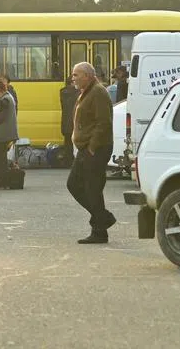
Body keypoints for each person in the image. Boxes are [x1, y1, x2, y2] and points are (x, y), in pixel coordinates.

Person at [67, 62, 116, 244]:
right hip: (86, 147)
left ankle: (100, 230)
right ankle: (103, 218)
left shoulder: (98, 92)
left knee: (92, 188)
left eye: (76, 75)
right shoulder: (86, 91)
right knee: (75, 185)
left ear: (87, 76)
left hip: (96, 148)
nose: (73, 78)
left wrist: (92, 148)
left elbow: (103, 123)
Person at [0, 79, 18, 188]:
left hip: (3, 133)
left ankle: (2, 180)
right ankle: (3, 180)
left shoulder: (5, 99)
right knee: (0, 157)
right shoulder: (7, 97)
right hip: (4, 133)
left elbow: (1, 117)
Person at [59, 77, 78, 167]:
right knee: (75, 143)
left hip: (66, 123)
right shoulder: (77, 93)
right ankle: (74, 161)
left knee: (68, 143)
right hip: (74, 122)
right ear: (72, 83)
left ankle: (67, 161)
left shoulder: (63, 92)